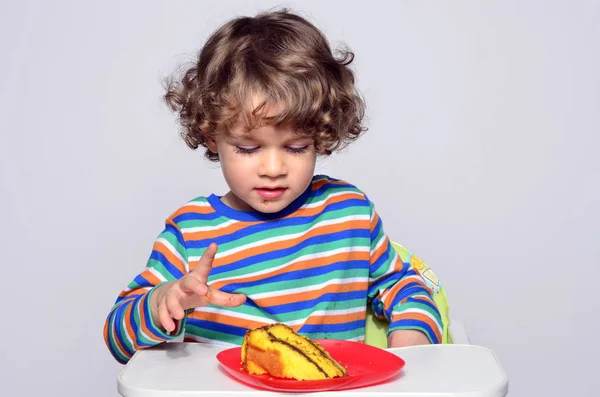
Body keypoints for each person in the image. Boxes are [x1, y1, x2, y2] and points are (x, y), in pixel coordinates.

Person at [103, 8, 442, 364]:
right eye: (248, 149)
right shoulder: (191, 232)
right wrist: (161, 301)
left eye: (296, 148)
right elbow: (117, 337)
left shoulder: (349, 213)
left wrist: (411, 343)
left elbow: (404, 286)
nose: (273, 168)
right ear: (212, 135)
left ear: (320, 136)